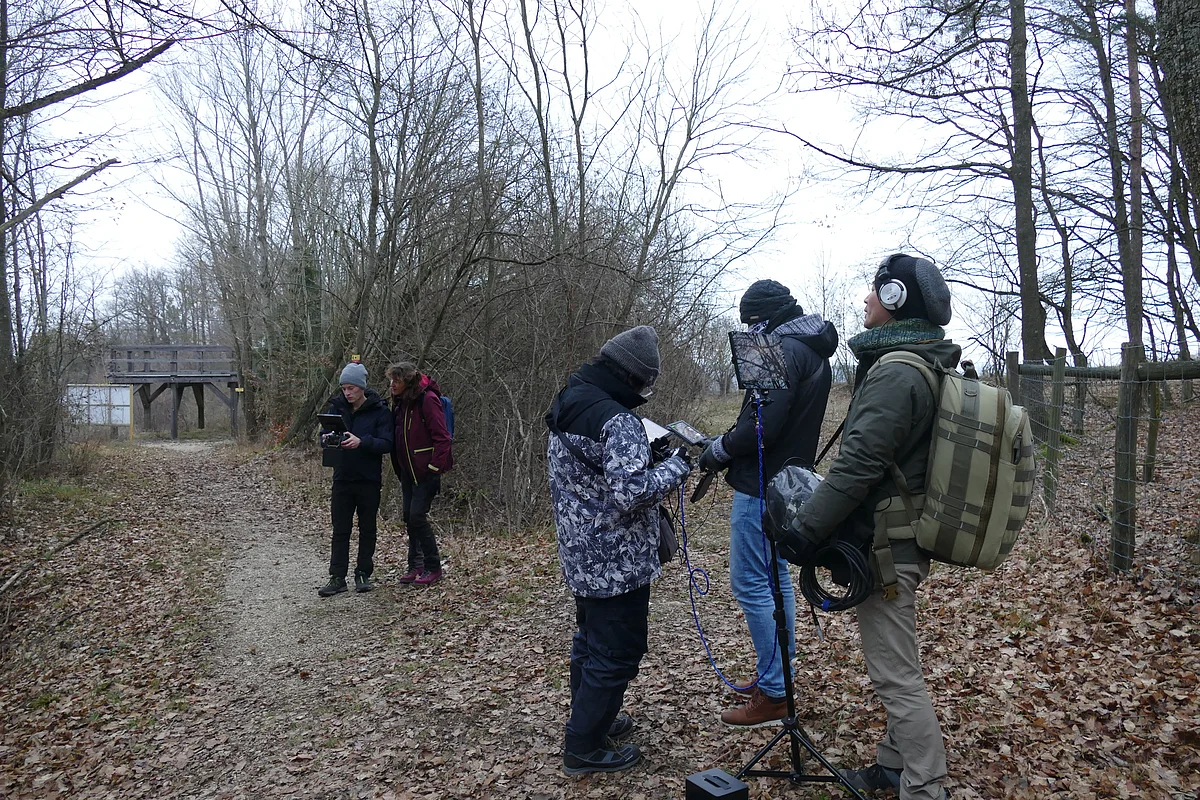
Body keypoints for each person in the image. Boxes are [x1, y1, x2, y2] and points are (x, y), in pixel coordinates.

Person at [773, 253, 956, 800]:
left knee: (895, 675)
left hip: (885, 545)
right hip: (894, 536)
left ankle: (926, 788)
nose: (867, 300)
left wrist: (805, 530)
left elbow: (858, 465)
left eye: (876, 291)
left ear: (898, 298)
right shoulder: (915, 364)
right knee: (896, 663)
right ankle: (894, 766)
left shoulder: (897, 372)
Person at [545, 326, 692, 775]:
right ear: (636, 378)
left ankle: (593, 718)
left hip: (580, 550)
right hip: (617, 560)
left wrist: (644, 457)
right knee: (617, 653)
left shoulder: (571, 398)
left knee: (590, 642)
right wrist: (677, 466)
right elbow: (631, 493)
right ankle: (584, 745)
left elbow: (595, 474)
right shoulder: (619, 420)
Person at [697, 279, 838, 727]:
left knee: (752, 583)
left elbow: (762, 427)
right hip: (788, 484)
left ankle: (775, 690)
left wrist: (719, 449)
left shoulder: (775, 347)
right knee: (775, 581)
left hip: (760, 487)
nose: (748, 331)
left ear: (764, 317)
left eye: (750, 322)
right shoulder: (811, 347)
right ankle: (779, 679)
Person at [318, 360, 395, 597]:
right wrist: (326, 439)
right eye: (344, 388)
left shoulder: (380, 410)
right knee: (340, 529)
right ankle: (337, 577)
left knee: (367, 528)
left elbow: (387, 443)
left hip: (368, 478)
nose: (347, 393)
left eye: (352, 388)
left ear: (362, 387)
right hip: (342, 477)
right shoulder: (335, 407)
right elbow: (322, 434)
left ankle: (363, 573)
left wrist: (362, 442)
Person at [387, 362, 453, 586]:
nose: (392, 385)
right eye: (391, 380)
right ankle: (416, 565)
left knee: (417, 516)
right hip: (407, 470)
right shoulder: (400, 404)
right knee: (408, 516)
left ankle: (433, 566)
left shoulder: (427, 400)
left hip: (425, 472)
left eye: (396, 380)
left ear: (408, 381)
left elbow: (443, 437)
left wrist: (434, 468)